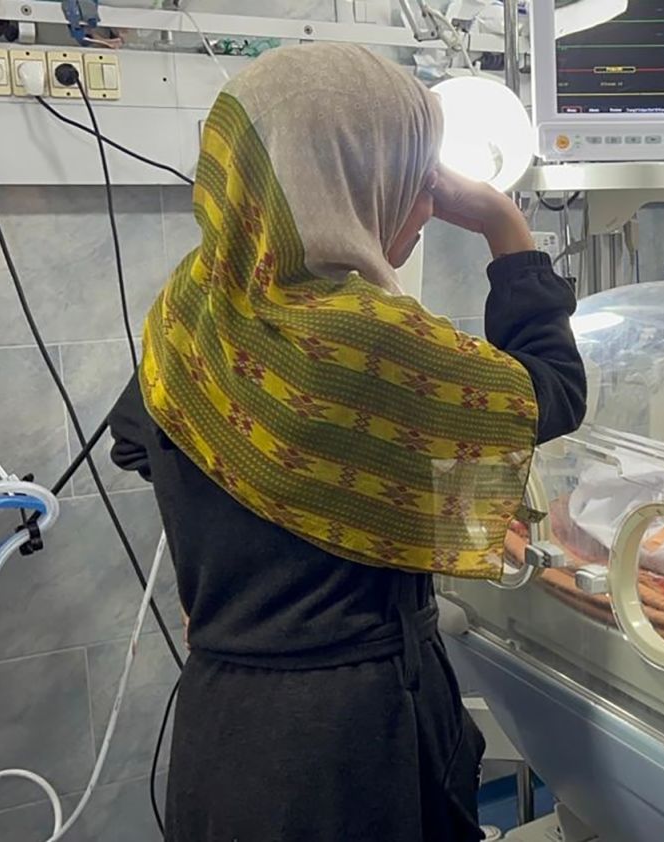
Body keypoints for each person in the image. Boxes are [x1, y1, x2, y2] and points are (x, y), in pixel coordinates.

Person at [106, 43, 586, 841]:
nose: (427, 206)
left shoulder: (191, 314)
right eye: (419, 183)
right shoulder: (367, 342)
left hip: (223, 719)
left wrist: (239, 556)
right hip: (357, 743)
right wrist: (508, 228)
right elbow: (555, 393)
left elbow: (136, 438)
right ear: (352, 176)